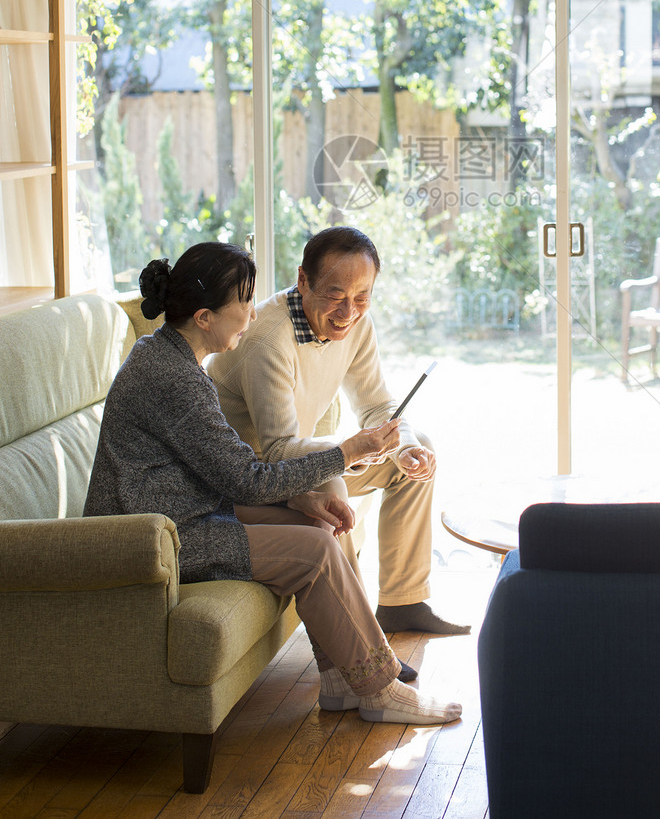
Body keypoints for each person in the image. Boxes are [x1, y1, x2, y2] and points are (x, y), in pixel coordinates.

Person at [83, 241, 461, 726]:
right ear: (204, 317)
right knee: (315, 552)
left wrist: (304, 498)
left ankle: (341, 679)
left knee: (318, 524)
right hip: (157, 538)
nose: (251, 313)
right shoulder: (173, 377)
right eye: (243, 301)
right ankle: (380, 688)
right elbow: (247, 478)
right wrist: (348, 452)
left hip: (185, 514)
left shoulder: (169, 358)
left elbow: (224, 473)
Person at [209, 226, 469, 636]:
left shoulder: (356, 325)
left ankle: (404, 602)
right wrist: (350, 450)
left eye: (362, 297)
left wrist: (401, 447)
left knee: (418, 451)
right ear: (303, 281)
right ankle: (361, 639)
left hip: (297, 465)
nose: (349, 311)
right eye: (335, 295)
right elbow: (277, 451)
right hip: (251, 481)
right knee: (333, 485)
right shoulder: (267, 341)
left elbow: (377, 405)